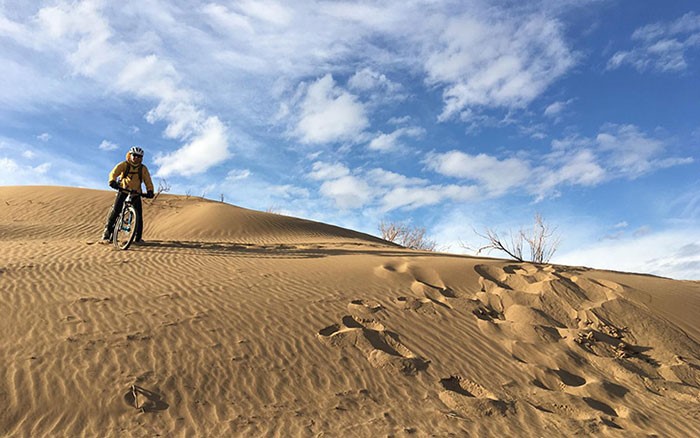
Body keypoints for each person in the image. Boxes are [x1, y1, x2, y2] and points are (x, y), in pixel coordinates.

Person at [101, 146, 155, 243]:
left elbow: (148, 180)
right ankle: (107, 232)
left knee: (138, 215)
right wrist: (112, 181)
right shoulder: (124, 165)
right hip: (123, 190)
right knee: (116, 210)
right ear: (130, 155)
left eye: (139, 156)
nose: (136, 158)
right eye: (134, 155)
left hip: (136, 193)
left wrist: (150, 190)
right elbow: (114, 172)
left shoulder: (143, 169)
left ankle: (138, 238)